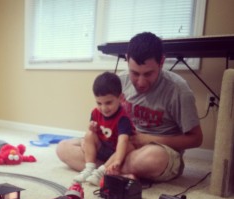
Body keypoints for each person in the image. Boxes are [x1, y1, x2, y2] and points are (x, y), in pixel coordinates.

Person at [56, 32, 203, 183]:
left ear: (161, 62)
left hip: (153, 150)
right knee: (63, 148)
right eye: (135, 73)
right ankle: (114, 173)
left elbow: (196, 139)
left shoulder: (178, 90)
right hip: (118, 146)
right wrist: (96, 133)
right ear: (127, 59)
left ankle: (103, 171)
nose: (140, 82)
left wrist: (148, 139)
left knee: (153, 158)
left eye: (148, 74)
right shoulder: (120, 82)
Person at [74, 71, 135, 186]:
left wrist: (117, 160)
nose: (104, 108)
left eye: (108, 103)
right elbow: (93, 135)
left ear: (121, 98)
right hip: (103, 147)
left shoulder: (123, 118)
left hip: (118, 152)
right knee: (88, 135)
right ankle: (89, 169)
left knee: (128, 145)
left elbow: (123, 141)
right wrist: (91, 128)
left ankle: (101, 172)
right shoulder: (95, 112)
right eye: (99, 103)